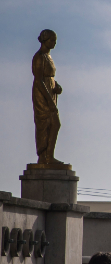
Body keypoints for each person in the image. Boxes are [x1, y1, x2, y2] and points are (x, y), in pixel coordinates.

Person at [31, 29, 64, 166]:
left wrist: (56, 86)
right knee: (48, 123)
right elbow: (39, 80)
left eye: (55, 40)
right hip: (42, 94)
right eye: (52, 40)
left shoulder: (48, 57)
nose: (54, 43)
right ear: (45, 40)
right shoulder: (39, 56)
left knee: (54, 124)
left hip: (50, 91)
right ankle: (45, 157)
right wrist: (49, 101)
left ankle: (49, 156)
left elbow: (49, 77)